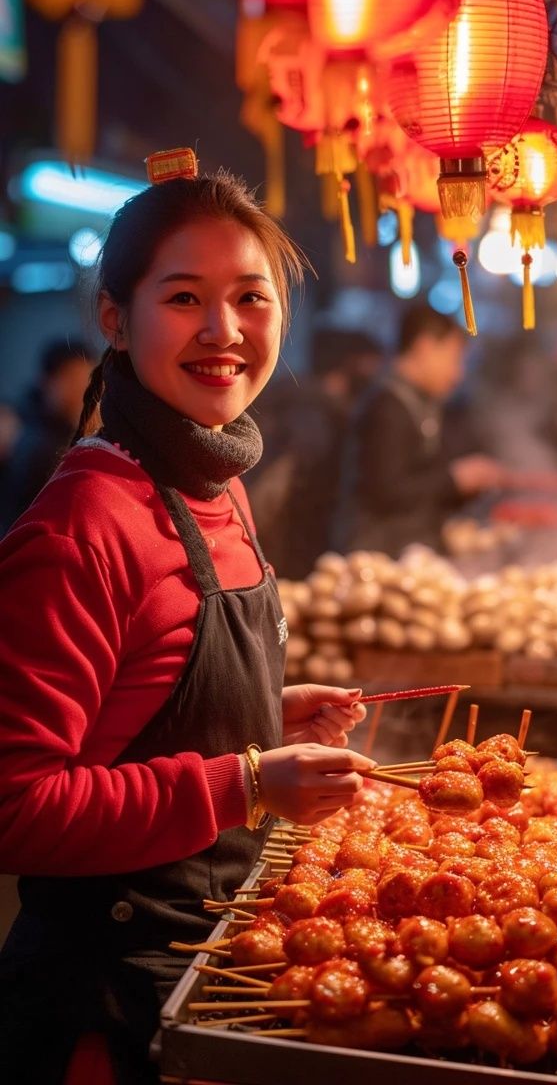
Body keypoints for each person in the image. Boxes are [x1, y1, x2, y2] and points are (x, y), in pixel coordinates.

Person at [0, 160, 374, 1085]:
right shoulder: (83, 521)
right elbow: (15, 807)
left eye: (252, 296)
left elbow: (138, 704)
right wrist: (246, 779)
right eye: (184, 297)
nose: (224, 331)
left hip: (208, 970)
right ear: (115, 320)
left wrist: (261, 714)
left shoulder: (216, 482)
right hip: (108, 1007)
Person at [335, 303, 506, 558]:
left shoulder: (418, 401)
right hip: (377, 558)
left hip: (409, 550)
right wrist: (455, 479)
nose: (458, 374)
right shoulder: (386, 405)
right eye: (455, 358)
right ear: (425, 347)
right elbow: (386, 491)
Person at [246, 326, 383, 576]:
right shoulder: (316, 414)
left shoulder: (295, 398)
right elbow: (296, 482)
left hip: (274, 539)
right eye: (369, 366)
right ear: (348, 364)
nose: (374, 375)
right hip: (292, 545)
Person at [0, 337, 95, 534]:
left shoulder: (40, 428)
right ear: (46, 381)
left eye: (86, 380)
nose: (80, 391)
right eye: (71, 379)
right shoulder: (37, 443)